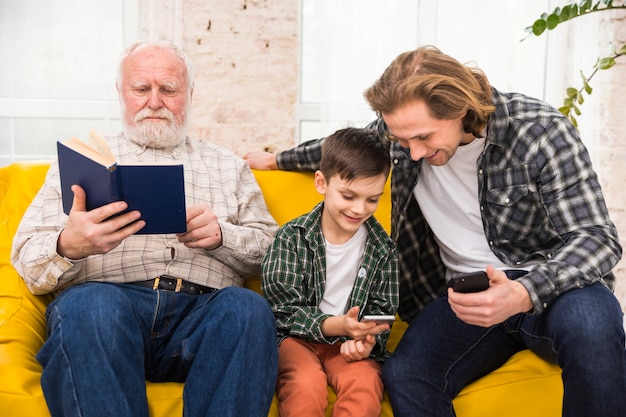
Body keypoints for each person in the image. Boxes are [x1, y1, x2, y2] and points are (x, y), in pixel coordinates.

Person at [245, 45, 626, 417]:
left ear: (460, 108)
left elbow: (597, 238)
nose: (411, 153)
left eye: (424, 138)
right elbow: (341, 149)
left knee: (594, 323)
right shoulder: (404, 132)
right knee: (407, 374)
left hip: (548, 285)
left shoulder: (540, 132)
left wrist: (524, 291)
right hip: (464, 295)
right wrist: (277, 159)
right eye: (401, 140)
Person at [11, 40, 280, 417]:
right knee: (92, 306)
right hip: (108, 311)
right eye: (141, 89)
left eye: (168, 89)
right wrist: (69, 244)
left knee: (248, 309)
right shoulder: (80, 162)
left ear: (189, 94)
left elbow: (274, 255)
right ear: (121, 94)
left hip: (203, 317)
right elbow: (26, 260)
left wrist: (223, 237)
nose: (155, 101)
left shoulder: (229, 165)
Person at [261, 127, 399, 417]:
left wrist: (365, 342)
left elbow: (383, 312)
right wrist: (337, 325)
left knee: (366, 384)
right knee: (304, 384)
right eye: (348, 196)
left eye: (372, 199)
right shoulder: (292, 237)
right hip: (295, 339)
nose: (360, 209)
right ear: (322, 183)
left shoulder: (383, 249)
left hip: (347, 344)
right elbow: (282, 312)